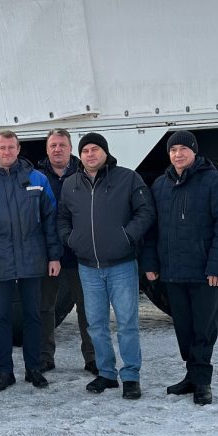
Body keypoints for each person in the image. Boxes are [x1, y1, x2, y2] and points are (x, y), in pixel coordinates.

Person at [141, 130, 218, 406]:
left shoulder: (213, 182)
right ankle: (191, 376)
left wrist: (217, 266)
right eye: (173, 150)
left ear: (194, 151)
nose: (178, 154)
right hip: (172, 273)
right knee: (184, 328)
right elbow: (152, 230)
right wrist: (150, 263)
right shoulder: (160, 186)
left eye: (183, 148)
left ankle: (203, 382)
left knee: (203, 329)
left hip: (204, 273)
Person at [57, 132, 155, 400]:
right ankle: (107, 374)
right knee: (96, 324)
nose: (90, 154)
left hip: (121, 265)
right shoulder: (70, 185)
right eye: (86, 150)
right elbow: (62, 218)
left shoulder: (127, 178)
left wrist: (127, 236)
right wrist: (71, 239)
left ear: (105, 152)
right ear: (81, 155)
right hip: (88, 267)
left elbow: (145, 212)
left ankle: (131, 376)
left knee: (126, 323)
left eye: (95, 149)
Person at [0, 131, 61, 392]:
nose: (6, 152)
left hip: (32, 259)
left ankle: (33, 369)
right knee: (1, 318)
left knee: (32, 316)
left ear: (19, 149)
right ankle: (5, 372)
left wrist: (54, 256)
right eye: (1, 148)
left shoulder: (38, 180)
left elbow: (51, 221)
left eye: (11, 147)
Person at [37, 129, 97, 376]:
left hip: (79, 253)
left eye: (62, 145)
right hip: (48, 253)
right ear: (47, 149)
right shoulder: (37, 177)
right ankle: (44, 357)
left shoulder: (85, 174)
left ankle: (93, 357)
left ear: (71, 148)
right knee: (45, 307)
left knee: (87, 307)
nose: (57, 149)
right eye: (53, 145)